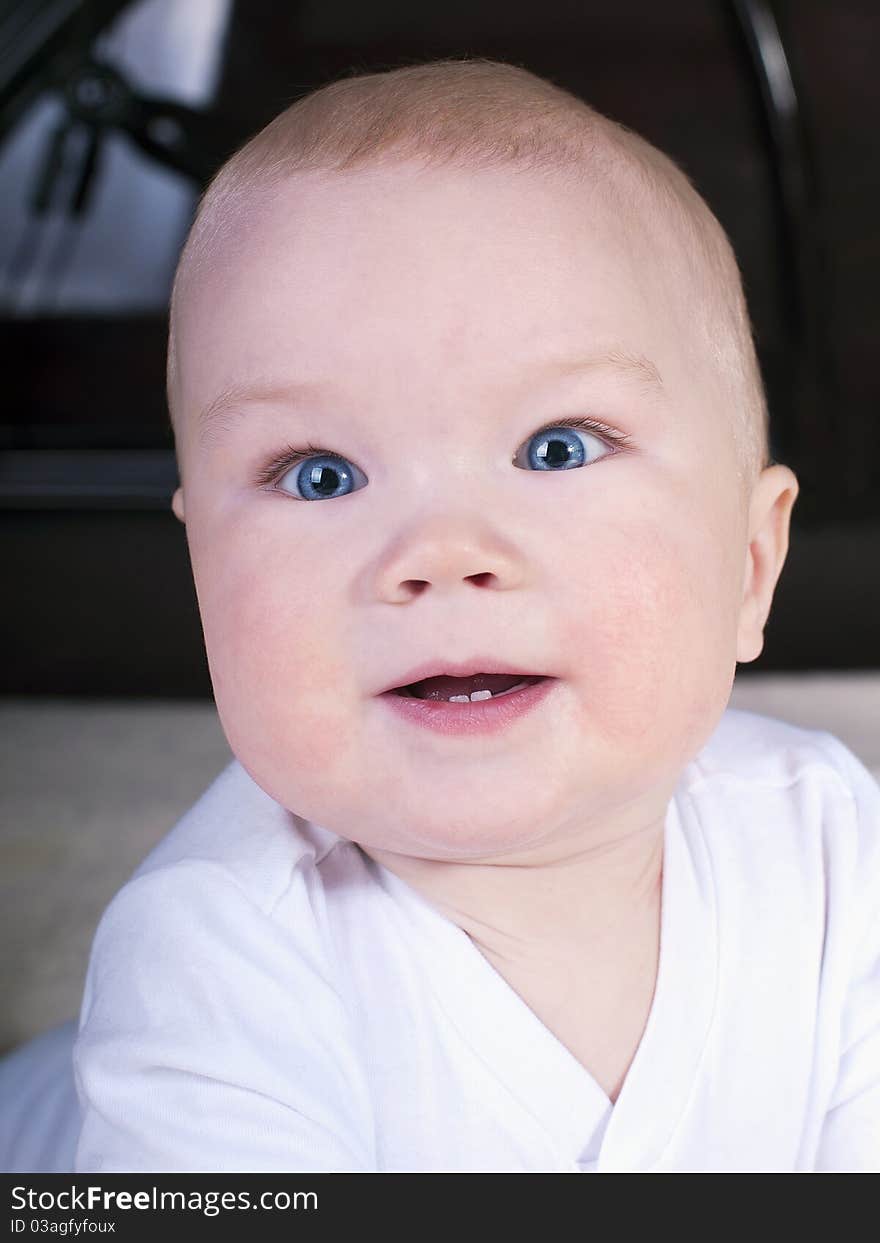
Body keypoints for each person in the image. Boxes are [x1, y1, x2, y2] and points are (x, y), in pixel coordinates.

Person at [8, 56, 879, 1173]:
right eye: (320, 474)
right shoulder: (216, 953)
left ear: (751, 565)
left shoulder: (826, 844)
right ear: (201, 573)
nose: (441, 556)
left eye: (555, 448)